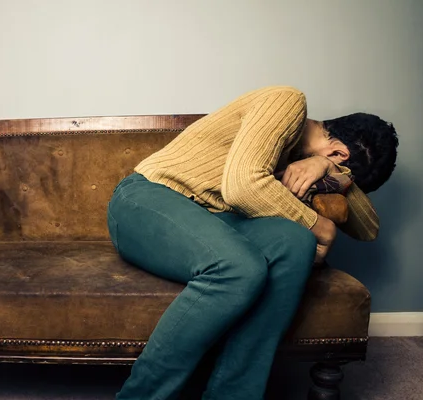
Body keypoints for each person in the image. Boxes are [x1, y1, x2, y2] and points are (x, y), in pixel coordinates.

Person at [106, 86, 398, 400]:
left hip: (210, 218)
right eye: (339, 166)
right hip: (146, 200)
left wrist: (327, 168)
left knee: (295, 241)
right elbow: (242, 187)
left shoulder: (317, 158)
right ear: (339, 150)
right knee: (239, 268)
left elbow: (368, 228)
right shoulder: (286, 100)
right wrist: (316, 221)